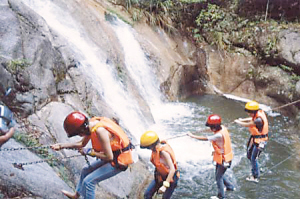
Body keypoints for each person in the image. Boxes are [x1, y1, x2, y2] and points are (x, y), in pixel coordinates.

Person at [51, 111, 134, 199]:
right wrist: (61, 146)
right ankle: (76, 196)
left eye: (79, 134)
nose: (79, 135)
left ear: (82, 129)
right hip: (113, 154)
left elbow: (109, 157)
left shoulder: (100, 131)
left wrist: (89, 152)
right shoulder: (90, 125)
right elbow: (81, 144)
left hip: (119, 160)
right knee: (85, 170)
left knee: (88, 182)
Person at [188, 114, 235, 199]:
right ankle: (230, 187)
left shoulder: (218, 135)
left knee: (218, 178)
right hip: (225, 157)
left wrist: (192, 136)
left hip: (224, 159)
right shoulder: (223, 128)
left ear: (214, 127)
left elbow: (205, 138)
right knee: (219, 174)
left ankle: (221, 196)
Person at [234, 100, 268, 183]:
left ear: (253, 111)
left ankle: (255, 176)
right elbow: (251, 118)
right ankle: (255, 169)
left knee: (253, 158)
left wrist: (238, 122)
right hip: (255, 138)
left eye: (249, 112)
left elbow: (247, 125)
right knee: (249, 155)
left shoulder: (258, 120)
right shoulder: (258, 114)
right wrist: (242, 119)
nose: (248, 113)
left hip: (260, 141)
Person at [140, 130, 179, 199]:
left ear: (152, 145)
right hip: (160, 176)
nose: (148, 149)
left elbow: (172, 169)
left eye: (148, 147)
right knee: (147, 194)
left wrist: (165, 186)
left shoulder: (163, 153)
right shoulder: (156, 148)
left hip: (170, 178)